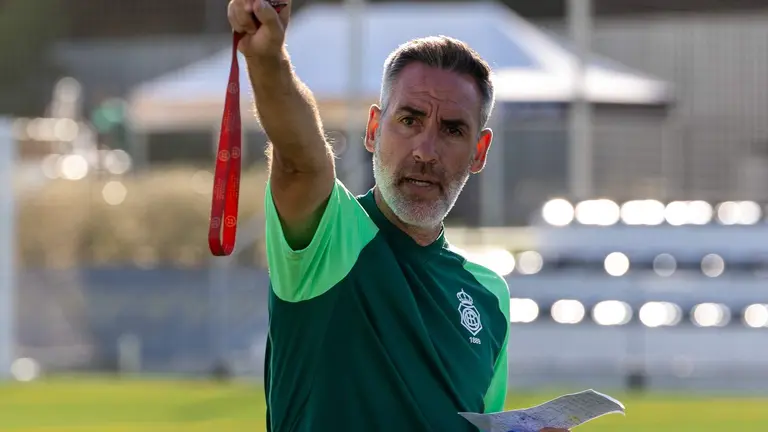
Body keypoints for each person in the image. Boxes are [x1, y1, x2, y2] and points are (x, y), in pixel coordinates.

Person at [228, 1, 570, 431]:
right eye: (410, 120)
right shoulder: (330, 237)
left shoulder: (489, 296)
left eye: (452, 130)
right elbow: (301, 159)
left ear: (479, 152)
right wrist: (267, 58)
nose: (426, 151)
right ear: (373, 130)